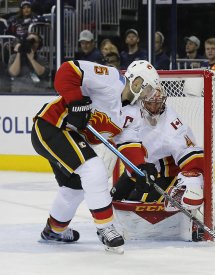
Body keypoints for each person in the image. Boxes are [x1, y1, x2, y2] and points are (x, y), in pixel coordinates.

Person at [30, 59, 162, 253]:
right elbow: (67, 71)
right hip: (52, 125)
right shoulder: (109, 78)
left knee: (74, 188)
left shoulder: (133, 114)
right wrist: (76, 102)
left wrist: (140, 167)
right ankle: (105, 227)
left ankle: (54, 230)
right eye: (147, 89)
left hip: (71, 136)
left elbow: (129, 144)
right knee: (94, 169)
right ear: (136, 82)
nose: (148, 95)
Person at [111, 88, 204, 208]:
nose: (154, 108)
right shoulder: (134, 112)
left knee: (137, 204)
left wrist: (193, 182)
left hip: (165, 175)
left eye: (158, 103)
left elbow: (189, 152)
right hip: (139, 171)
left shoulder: (171, 124)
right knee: (114, 200)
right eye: (150, 103)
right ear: (142, 100)